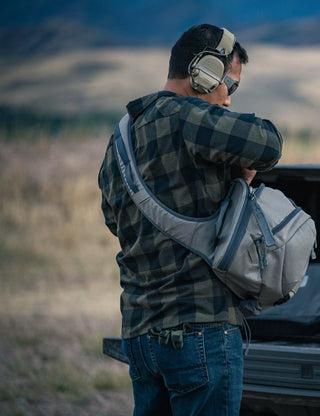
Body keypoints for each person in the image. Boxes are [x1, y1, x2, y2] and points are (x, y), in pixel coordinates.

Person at [98, 23, 283, 416]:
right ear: (205, 71)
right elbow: (268, 143)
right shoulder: (190, 118)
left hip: (140, 337)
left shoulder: (119, 140)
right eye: (229, 86)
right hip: (202, 331)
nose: (229, 100)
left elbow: (116, 224)